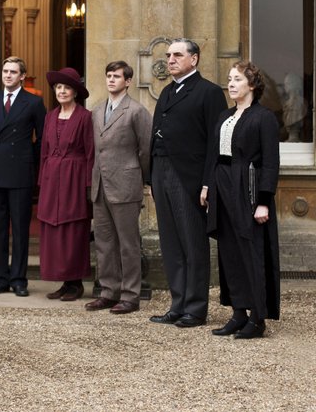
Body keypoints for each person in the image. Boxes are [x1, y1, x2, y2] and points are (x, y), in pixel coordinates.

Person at [150, 38, 227, 328]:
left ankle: (195, 309)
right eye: (168, 55)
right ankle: (178, 303)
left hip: (190, 177)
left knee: (193, 243)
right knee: (171, 243)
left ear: (193, 59)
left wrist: (208, 183)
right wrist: (152, 176)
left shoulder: (208, 93)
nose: (170, 59)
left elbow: (215, 144)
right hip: (161, 172)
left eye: (177, 55)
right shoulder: (168, 92)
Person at [206, 61, 280, 339]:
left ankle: (257, 317)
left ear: (252, 85)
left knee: (251, 251)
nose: (231, 84)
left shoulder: (264, 117)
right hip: (223, 184)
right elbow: (214, 155)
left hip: (247, 187)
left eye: (237, 79)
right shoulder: (225, 115)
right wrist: (208, 187)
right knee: (229, 252)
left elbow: (271, 162)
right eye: (229, 79)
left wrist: (263, 200)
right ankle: (238, 313)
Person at [85, 61, 152, 314]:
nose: (111, 80)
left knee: (128, 243)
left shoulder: (136, 111)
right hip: (100, 185)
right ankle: (108, 291)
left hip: (126, 184)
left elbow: (146, 149)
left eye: (117, 76)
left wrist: (142, 179)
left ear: (128, 81)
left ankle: (130, 295)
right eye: (109, 76)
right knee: (104, 242)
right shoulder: (96, 110)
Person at [0, 56, 46, 297]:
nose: (7, 75)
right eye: (5, 71)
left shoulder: (34, 103)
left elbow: (42, 138)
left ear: (22, 76)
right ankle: (0, 278)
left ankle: (19, 279)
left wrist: (27, 157)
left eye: (13, 72)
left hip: (20, 172)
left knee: (20, 228)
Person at [37, 67, 94, 302]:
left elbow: (91, 152)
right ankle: (63, 280)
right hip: (52, 179)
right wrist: (42, 180)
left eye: (66, 88)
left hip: (75, 178)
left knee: (74, 230)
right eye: (58, 87)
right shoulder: (49, 116)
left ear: (75, 92)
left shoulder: (85, 117)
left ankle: (76, 283)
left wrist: (89, 184)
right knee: (54, 230)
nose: (61, 91)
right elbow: (44, 152)